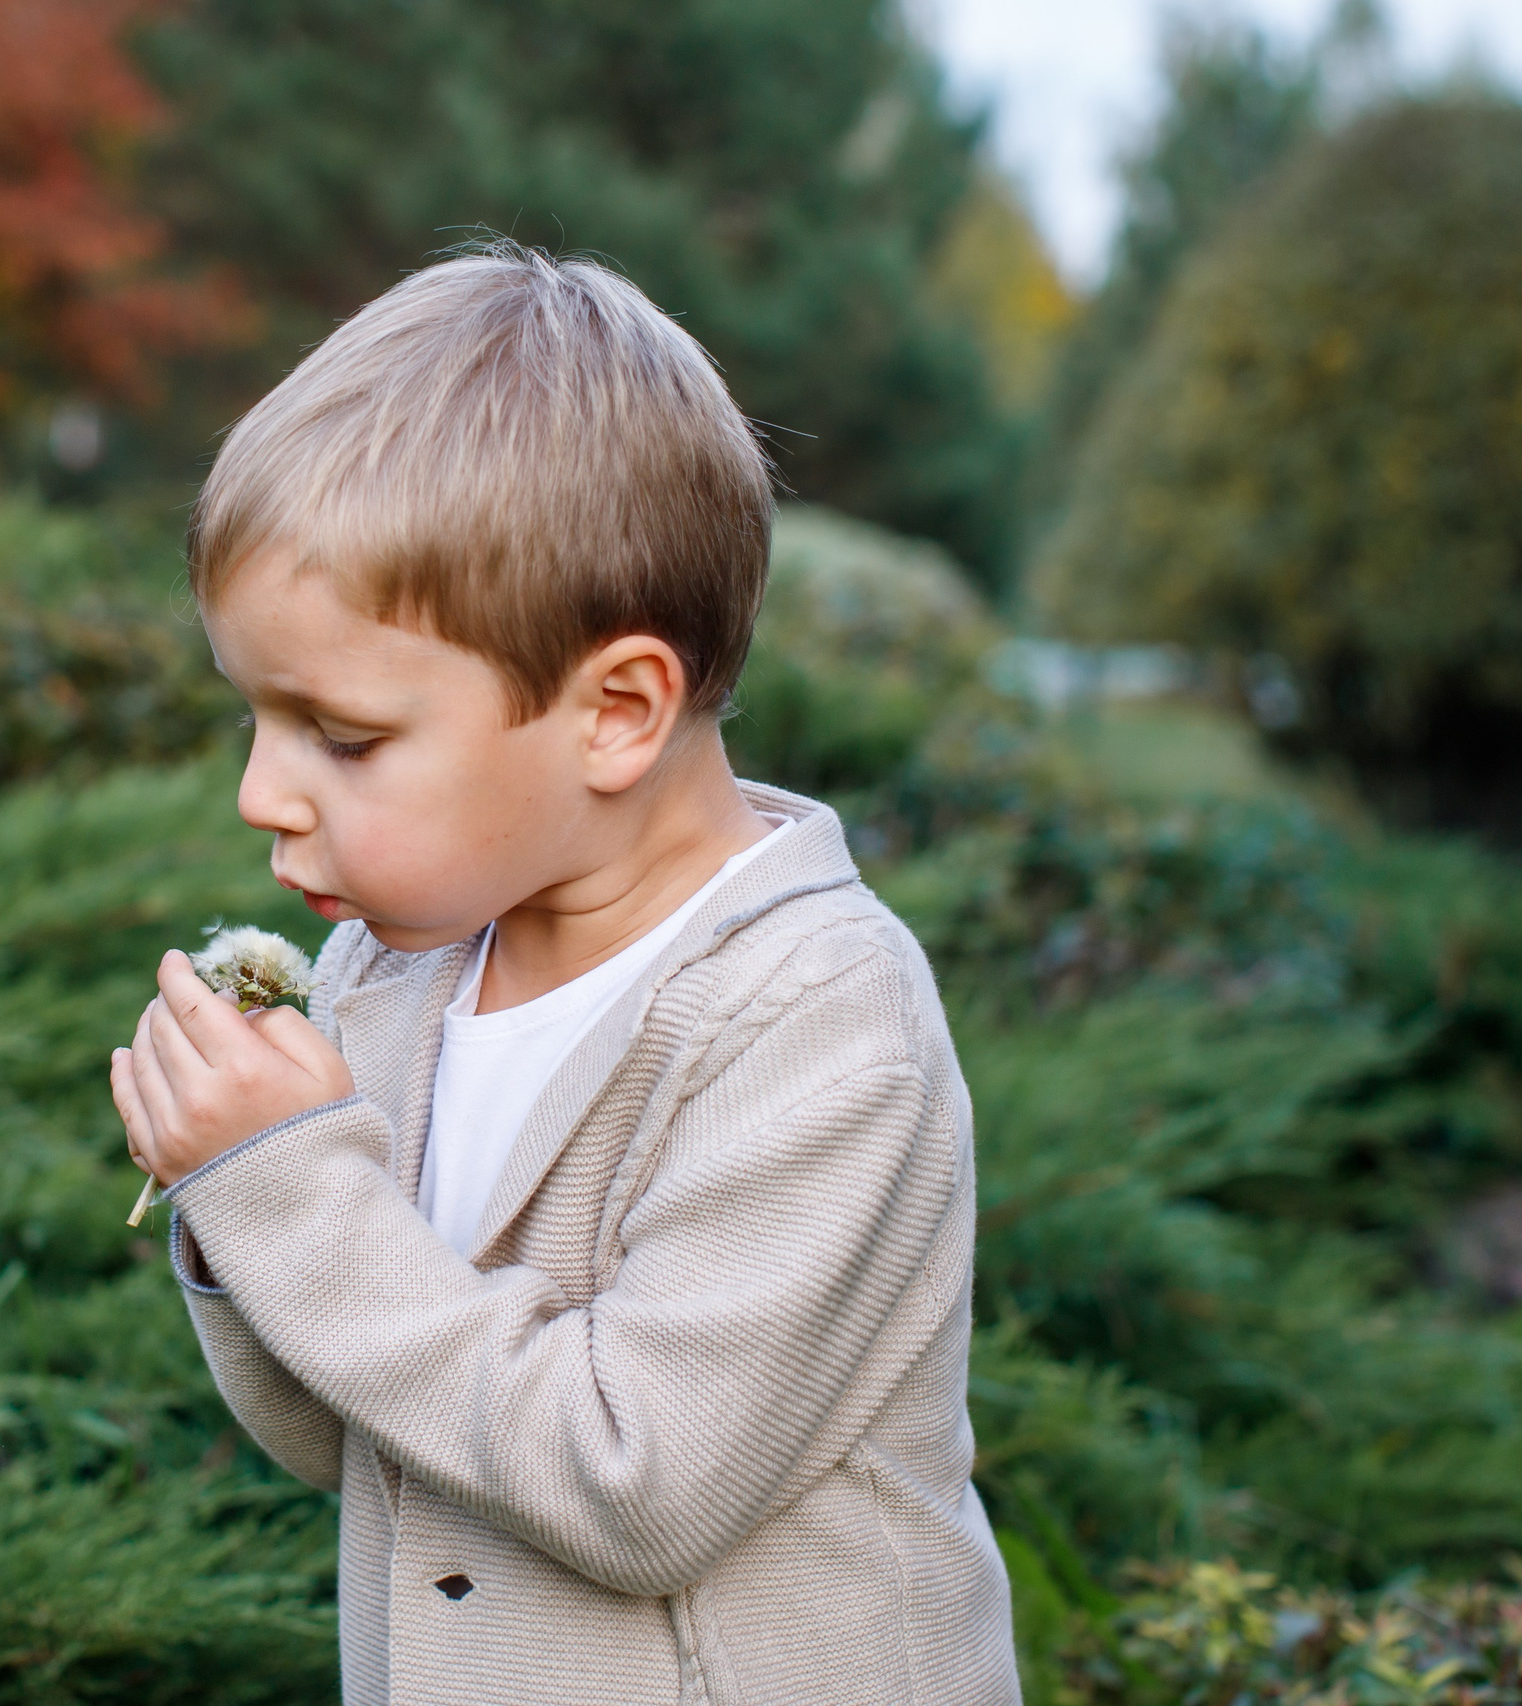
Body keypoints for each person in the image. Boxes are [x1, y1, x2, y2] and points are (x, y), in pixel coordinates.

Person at [108, 244, 1019, 1705]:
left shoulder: (817, 1021)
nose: (260, 793)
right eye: (253, 715)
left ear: (615, 712)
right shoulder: (387, 981)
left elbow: (639, 1478)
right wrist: (234, 1204)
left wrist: (296, 1189)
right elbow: (354, 1427)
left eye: (339, 735)